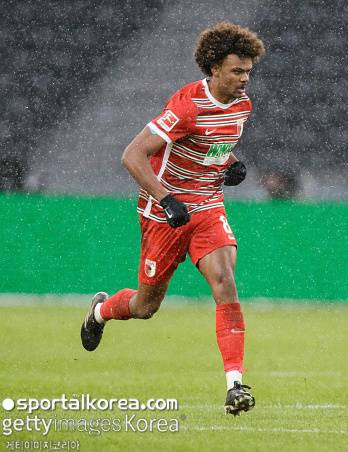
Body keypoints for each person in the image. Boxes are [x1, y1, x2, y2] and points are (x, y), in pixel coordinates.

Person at [80, 22, 265, 416]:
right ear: (214, 68)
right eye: (237, 71)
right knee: (145, 306)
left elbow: (213, 144)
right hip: (164, 214)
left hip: (207, 206)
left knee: (225, 281)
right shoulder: (187, 106)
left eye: (248, 71)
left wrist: (230, 163)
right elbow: (132, 155)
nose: (245, 79)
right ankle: (99, 312)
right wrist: (166, 199)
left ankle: (235, 385)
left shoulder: (242, 105)